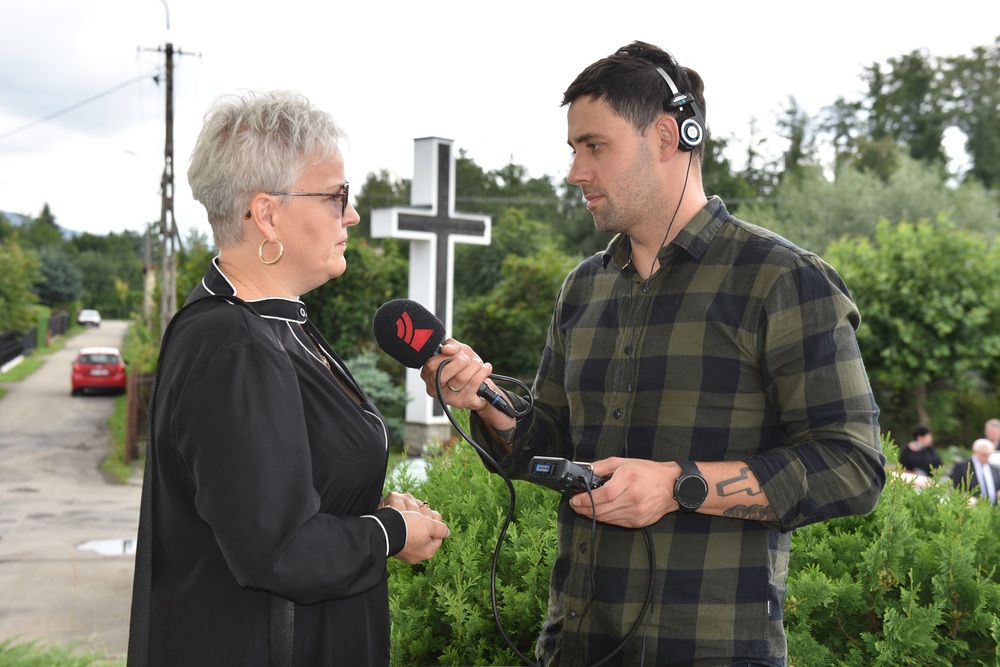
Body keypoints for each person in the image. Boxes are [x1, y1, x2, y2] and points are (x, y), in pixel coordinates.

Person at [418, 41, 885, 666]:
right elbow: (546, 443)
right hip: (574, 645)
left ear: (668, 136)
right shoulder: (583, 287)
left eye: (594, 146)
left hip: (710, 650)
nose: (575, 172)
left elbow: (852, 465)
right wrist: (486, 402)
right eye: (573, 149)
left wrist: (679, 486)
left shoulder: (780, 280)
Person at [127, 90, 449, 666]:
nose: (350, 214)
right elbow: (279, 551)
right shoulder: (237, 345)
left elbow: (267, 491)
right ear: (267, 213)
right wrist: (389, 534)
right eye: (335, 196)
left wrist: (372, 508)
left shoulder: (273, 324)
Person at [949, 438, 1000, 505]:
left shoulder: (994, 469)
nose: (986, 458)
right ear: (975, 452)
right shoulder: (962, 467)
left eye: (989, 455)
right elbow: (955, 488)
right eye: (984, 455)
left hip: (994, 508)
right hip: (972, 508)